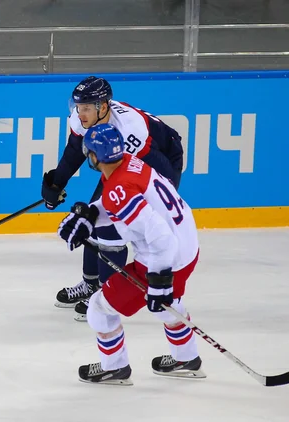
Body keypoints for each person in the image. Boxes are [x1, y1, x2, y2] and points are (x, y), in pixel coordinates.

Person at [57, 123, 203, 385]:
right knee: (167, 304)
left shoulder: (117, 189)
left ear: (94, 157)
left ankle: (115, 367)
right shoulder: (128, 163)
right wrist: (91, 216)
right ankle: (186, 356)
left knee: (100, 309)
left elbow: (160, 238)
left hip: (166, 256)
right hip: (187, 246)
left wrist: (160, 280)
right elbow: (120, 200)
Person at [42, 76, 184, 321]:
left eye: (86, 107)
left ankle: (106, 298)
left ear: (103, 106)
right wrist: (57, 182)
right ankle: (90, 284)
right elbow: (75, 150)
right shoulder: (81, 119)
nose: (81, 112)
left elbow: (160, 166)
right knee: (92, 217)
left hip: (157, 161)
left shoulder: (131, 130)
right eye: (78, 106)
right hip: (120, 160)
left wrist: (167, 196)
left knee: (111, 228)